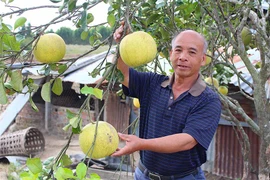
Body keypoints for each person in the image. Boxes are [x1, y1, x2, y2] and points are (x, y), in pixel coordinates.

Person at [112, 22, 222, 180]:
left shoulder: (208, 100)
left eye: (191, 52)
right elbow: (122, 74)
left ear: (203, 59)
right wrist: (122, 44)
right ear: (171, 54)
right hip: (144, 175)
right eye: (178, 50)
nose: (182, 57)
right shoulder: (152, 83)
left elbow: (187, 141)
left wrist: (141, 143)